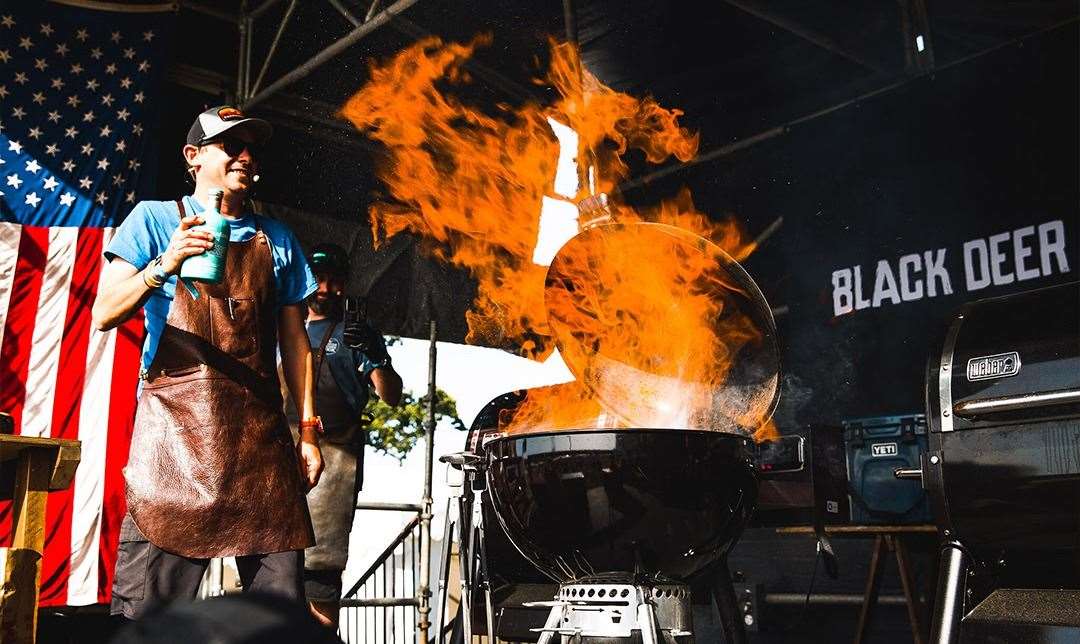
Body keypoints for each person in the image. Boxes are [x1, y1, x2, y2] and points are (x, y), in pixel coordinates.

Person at [92, 105, 324, 620]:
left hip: (259, 442)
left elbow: (296, 343)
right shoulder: (154, 219)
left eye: (251, 148)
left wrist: (307, 430)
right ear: (193, 157)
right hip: (177, 439)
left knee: (279, 616)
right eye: (230, 146)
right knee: (147, 616)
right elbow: (105, 312)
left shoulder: (277, 238)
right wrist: (166, 263)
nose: (245, 156)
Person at [289, 243, 403, 627]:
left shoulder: (355, 334)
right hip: (278, 452)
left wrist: (379, 357)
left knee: (320, 569)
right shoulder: (282, 326)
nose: (325, 287)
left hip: (335, 459)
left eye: (334, 280)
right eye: (319, 278)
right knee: (270, 562)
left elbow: (391, 395)